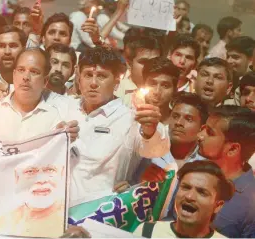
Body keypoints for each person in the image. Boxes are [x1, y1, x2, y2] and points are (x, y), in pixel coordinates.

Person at [64, 47, 170, 203]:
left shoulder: (132, 119)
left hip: (100, 215)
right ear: (79, 78)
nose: (93, 83)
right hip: (55, 212)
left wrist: (150, 131)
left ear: (116, 82)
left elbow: (158, 150)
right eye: (88, 75)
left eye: (101, 76)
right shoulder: (64, 107)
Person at [0, 48, 78, 142]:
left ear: (45, 81)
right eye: (21, 70)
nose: (26, 77)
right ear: (14, 75)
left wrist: (64, 140)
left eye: (34, 72)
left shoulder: (55, 119)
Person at [197, 106, 255, 237]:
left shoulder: (250, 203)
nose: (199, 136)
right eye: (203, 129)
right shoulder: (195, 174)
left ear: (233, 149)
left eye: (210, 133)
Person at [133, 161, 232, 238]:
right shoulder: (147, 231)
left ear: (217, 205)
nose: (189, 197)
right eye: (186, 187)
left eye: (202, 192)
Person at [0, 160, 65, 237]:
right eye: (30, 171)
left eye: (50, 170)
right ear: (17, 177)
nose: (41, 180)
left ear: (62, 173)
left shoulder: (71, 220)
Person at [115, 35, 162, 107]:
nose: (149, 66)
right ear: (130, 64)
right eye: (143, 62)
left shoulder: (166, 91)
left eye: (154, 61)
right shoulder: (115, 90)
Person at [0, 26, 27, 92]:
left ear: (24, 49)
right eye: (1, 46)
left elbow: (33, 93)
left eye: (13, 46)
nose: (7, 52)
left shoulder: (31, 75)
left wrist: (3, 87)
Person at [143, 57, 180, 124]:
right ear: (143, 85)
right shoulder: (129, 117)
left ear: (175, 91)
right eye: (152, 84)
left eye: (165, 86)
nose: (157, 92)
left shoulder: (178, 123)